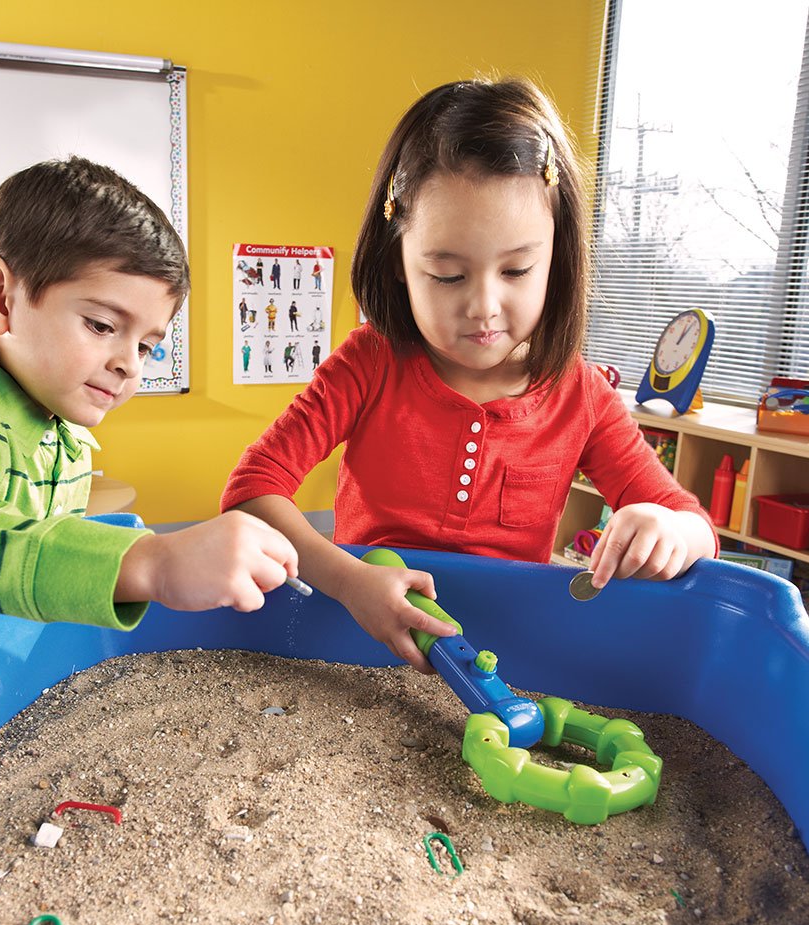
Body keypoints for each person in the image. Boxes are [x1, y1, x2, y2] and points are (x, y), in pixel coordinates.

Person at [221, 77, 717, 672]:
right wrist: (348, 581)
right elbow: (250, 492)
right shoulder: (370, 364)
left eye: (517, 270)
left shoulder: (583, 397)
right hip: (362, 645)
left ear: (555, 260)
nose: (484, 307)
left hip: (507, 654)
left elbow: (698, 531)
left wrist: (668, 530)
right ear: (398, 261)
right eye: (448, 276)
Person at [0, 156, 298, 651]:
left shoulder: (64, 430)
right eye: (101, 325)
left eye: (146, 346)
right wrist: (153, 562)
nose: (130, 365)